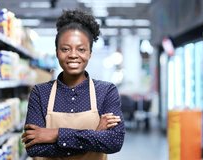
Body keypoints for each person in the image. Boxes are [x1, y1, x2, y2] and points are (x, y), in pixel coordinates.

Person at [21, 9, 125, 160]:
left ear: (90, 52)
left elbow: (114, 141)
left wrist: (56, 134)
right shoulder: (40, 92)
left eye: (81, 49)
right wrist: (95, 136)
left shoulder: (105, 91)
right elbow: (34, 147)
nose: (73, 55)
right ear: (57, 52)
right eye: (65, 49)